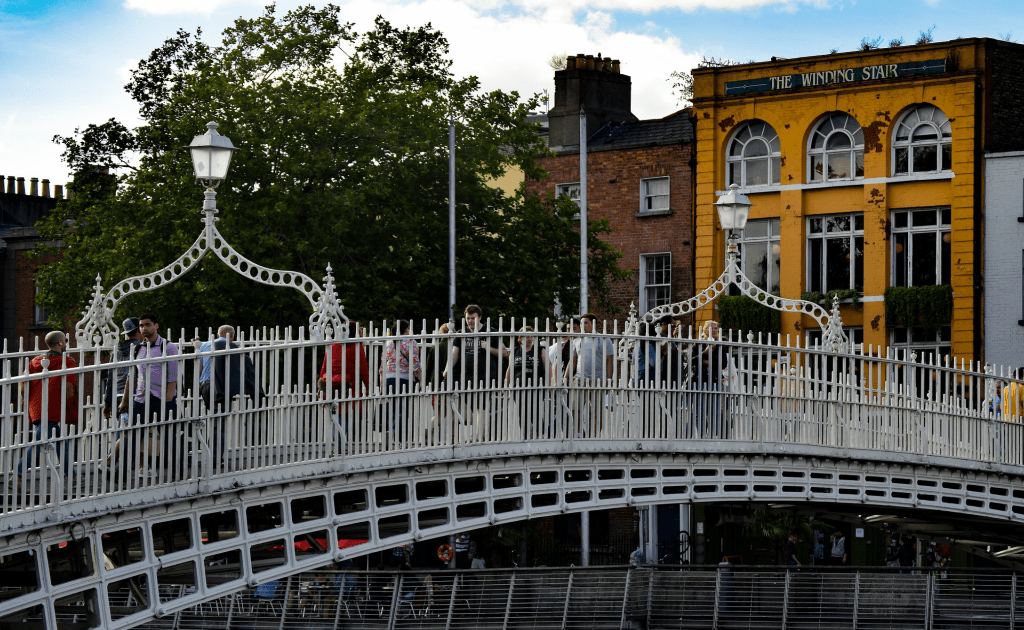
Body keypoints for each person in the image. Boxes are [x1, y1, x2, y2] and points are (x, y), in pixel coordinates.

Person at [116, 313, 181, 482]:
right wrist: (124, 401)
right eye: (141, 326)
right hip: (141, 399)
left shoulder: (169, 347)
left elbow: (173, 378)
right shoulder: (138, 348)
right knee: (132, 435)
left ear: (156, 326)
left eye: (147, 324)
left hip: (162, 399)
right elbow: (133, 375)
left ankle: (176, 472)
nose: (144, 328)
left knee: (169, 436)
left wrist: (167, 403)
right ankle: (121, 472)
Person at [14, 331, 78, 489]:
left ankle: (73, 476)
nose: (67, 343)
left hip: (36, 406)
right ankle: (18, 475)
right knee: (38, 443)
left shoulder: (35, 361)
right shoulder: (67, 362)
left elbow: (23, 385)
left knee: (59, 442)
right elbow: (69, 388)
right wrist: (72, 407)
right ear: (60, 343)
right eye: (66, 340)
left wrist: (26, 400)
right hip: (52, 406)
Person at [444, 305, 505, 441]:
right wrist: (448, 367)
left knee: (480, 407)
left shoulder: (490, 331)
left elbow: (504, 353)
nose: (470, 321)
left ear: (480, 317)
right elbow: (454, 353)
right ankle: (480, 432)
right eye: (468, 318)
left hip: (486, 376)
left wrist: (488, 348)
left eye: (473, 318)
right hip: (467, 377)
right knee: (473, 407)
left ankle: (478, 436)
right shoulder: (462, 333)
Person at [318, 322, 370, 452]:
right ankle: (340, 446)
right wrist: (368, 388)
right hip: (348, 388)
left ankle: (338, 444)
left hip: (329, 385)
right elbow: (364, 369)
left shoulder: (333, 345)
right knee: (345, 417)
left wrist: (320, 386)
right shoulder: (357, 347)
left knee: (336, 416)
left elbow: (324, 366)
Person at [566, 313, 615, 437]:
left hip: (598, 380)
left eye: (586, 323)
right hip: (579, 379)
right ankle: (577, 434)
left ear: (593, 324)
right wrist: (565, 378)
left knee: (597, 412)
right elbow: (572, 361)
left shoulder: (604, 339)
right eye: (581, 323)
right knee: (574, 410)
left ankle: (593, 436)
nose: (583, 326)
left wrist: (609, 378)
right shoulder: (576, 340)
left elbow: (610, 360)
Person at [380, 320, 421, 447]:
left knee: (394, 411)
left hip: (388, 379)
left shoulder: (388, 343)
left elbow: (382, 365)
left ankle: (396, 439)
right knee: (404, 411)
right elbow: (415, 364)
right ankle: (394, 433)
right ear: (407, 329)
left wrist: (382, 385)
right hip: (404, 379)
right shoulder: (410, 342)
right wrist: (420, 380)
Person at [506, 326, 549, 438]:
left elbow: (548, 366)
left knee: (536, 411)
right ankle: (525, 437)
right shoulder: (515, 350)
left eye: (531, 336)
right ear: (520, 337)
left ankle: (539, 435)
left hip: (537, 386)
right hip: (519, 387)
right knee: (522, 413)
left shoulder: (540, 350)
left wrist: (549, 383)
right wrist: (506, 384)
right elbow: (510, 368)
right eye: (527, 336)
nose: (530, 339)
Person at [101, 317, 142, 419]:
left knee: (122, 427)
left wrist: (107, 403)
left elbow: (110, 379)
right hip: (135, 395)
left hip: (117, 395)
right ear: (138, 330)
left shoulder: (116, 351)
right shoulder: (142, 348)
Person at [198, 325, 234, 408]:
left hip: (205, 384)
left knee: (212, 413)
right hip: (220, 385)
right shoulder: (230, 346)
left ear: (218, 335)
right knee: (221, 414)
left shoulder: (204, 345)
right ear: (231, 335)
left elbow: (200, 367)